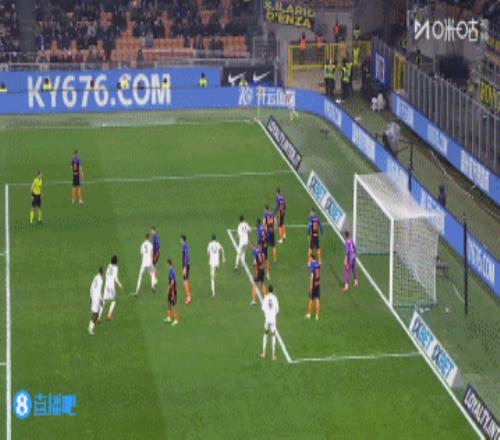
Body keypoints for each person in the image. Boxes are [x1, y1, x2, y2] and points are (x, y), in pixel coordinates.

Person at [100, 255, 122, 322]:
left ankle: (98, 317)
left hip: (106, 285)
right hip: (111, 286)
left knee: (104, 301)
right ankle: (109, 315)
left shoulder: (109, 265)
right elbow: (115, 278)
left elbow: (106, 274)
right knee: (113, 300)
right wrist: (119, 284)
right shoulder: (116, 268)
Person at [260, 284, 279, 361]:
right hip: (273, 319)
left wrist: (266, 315)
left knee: (265, 333)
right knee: (273, 334)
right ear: (273, 290)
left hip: (267, 319)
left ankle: (263, 354)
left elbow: (262, 308)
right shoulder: (275, 298)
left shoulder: (265, 297)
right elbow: (277, 310)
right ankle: (273, 356)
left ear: (268, 290)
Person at [88, 267, 103, 335]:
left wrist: (91, 297)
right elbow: (99, 290)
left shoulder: (95, 277)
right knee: (95, 314)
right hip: (96, 298)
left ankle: (90, 326)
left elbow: (91, 287)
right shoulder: (100, 280)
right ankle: (90, 329)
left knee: (95, 313)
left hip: (93, 296)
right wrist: (101, 299)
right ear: (102, 273)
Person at [306, 254, 321, 320]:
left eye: (310, 258)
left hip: (313, 284)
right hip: (317, 283)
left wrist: (310, 286)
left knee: (310, 299)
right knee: (317, 299)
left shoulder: (312, 266)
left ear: (312, 258)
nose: (309, 259)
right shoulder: (318, 264)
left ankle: (309, 314)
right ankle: (317, 316)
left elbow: (311, 277)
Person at [164, 259, 179, 326]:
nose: (166, 265)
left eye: (166, 264)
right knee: (169, 303)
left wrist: (169, 289)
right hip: (171, 290)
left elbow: (172, 282)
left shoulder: (171, 272)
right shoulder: (171, 270)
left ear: (168, 264)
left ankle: (176, 320)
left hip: (172, 290)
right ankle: (169, 317)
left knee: (173, 305)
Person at [181, 235, 192, 304]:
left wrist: (185, 267)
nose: (180, 240)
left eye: (181, 239)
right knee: (186, 280)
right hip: (186, 265)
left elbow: (186, 257)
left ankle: (188, 298)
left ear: (182, 240)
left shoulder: (185, 246)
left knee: (185, 281)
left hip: (185, 266)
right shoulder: (185, 246)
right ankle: (189, 296)